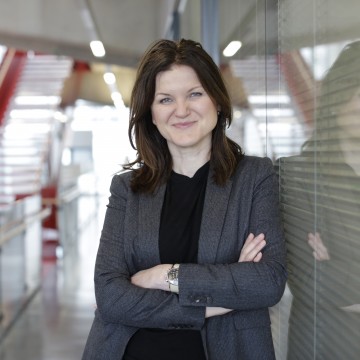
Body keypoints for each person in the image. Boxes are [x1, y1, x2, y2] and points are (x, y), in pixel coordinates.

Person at [82, 38, 287, 360]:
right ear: (150, 112)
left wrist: (163, 276)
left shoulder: (254, 178)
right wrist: (225, 296)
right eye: (165, 99)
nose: (182, 110)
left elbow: (267, 282)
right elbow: (110, 296)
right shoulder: (127, 189)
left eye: (195, 94)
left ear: (217, 101)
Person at [278, 41, 360, 359]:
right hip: (324, 348)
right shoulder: (296, 175)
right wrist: (326, 272)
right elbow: (311, 280)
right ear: (340, 95)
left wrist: (336, 267)